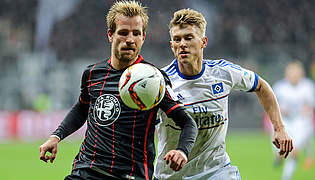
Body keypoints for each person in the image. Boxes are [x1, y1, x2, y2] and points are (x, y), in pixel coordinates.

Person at [39, 1, 198, 180]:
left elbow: (188, 123)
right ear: (110, 35)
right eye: (123, 33)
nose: (130, 39)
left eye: (136, 33)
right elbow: (82, 109)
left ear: (143, 37)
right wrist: (56, 136)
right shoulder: (92, 74)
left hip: (130, 175)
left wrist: (182, 151)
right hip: (86, 171)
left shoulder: (154, 79)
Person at [154, 8, 293, 180]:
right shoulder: (159, 82)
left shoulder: (223, 72)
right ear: (171, 45)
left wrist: (279, 128)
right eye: (177, 39)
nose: (182, 43)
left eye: (188, 37)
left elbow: (261, 86)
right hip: (172, 175)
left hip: (217, 171)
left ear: (203, 42)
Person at [272, 61, 315, 180]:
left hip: (301, 123)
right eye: (292, 73)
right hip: (285, 122)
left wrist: (303, 111)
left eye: (297, 73)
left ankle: (286, 177)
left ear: (301, 73)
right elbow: (273, 106)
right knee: (280, 147)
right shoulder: (280, 87)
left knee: (294, 150)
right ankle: (278, 157)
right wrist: (282, 110)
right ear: (287, 74)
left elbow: (310, 106)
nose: (294, 76)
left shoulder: (308, 86)